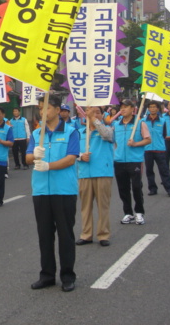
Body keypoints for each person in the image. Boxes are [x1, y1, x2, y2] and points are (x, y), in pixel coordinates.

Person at [26, 96, 80, 292]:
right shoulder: (36, 133)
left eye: (46, 108)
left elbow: (71, 159)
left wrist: (48, 165)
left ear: (58, 110)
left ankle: (67, 275)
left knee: (65, 235)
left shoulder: (71, 132)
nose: (42, 112)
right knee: (44, 235)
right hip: (41, 191)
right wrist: (34, 156)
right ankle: (47, 275)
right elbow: (28, 157)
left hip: (64, 190)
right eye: (40, 108)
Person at [76, 106, 115, 247]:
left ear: (102, 115)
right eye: (91, 112)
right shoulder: (80, 133)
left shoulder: (108, 130)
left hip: (103, 172)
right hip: (85, 173)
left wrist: (94, 119)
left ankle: (103, 234)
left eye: (97, 112)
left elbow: (106, 135)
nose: (94, 115)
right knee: (85, 206)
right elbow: (72, 153)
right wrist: (81, 156)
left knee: (102, 205)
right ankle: (86, 234)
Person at [112, 99, 151, 225]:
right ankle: (128, 213)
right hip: (119, 161)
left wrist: (135, 144)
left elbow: (148, 140)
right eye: (121, 107)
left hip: (134, 160)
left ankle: (139, 212)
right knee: (123, 188)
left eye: (126, 107)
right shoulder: (116, 125)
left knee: (136, 187)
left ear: (132, 109)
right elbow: (114, 141)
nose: (122, 109)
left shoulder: (140, 124)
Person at [143, 101, 170, 197]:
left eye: (154, 107)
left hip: (160, 149)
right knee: (149, 170)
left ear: (157, 109)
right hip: (147, 149)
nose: (152, 109)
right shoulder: (143, 121)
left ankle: (169, 189)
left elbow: (165, 135)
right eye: (150, 107)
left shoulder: (162, 121)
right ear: (148, 109)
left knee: (164, 170)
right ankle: (152, 189)